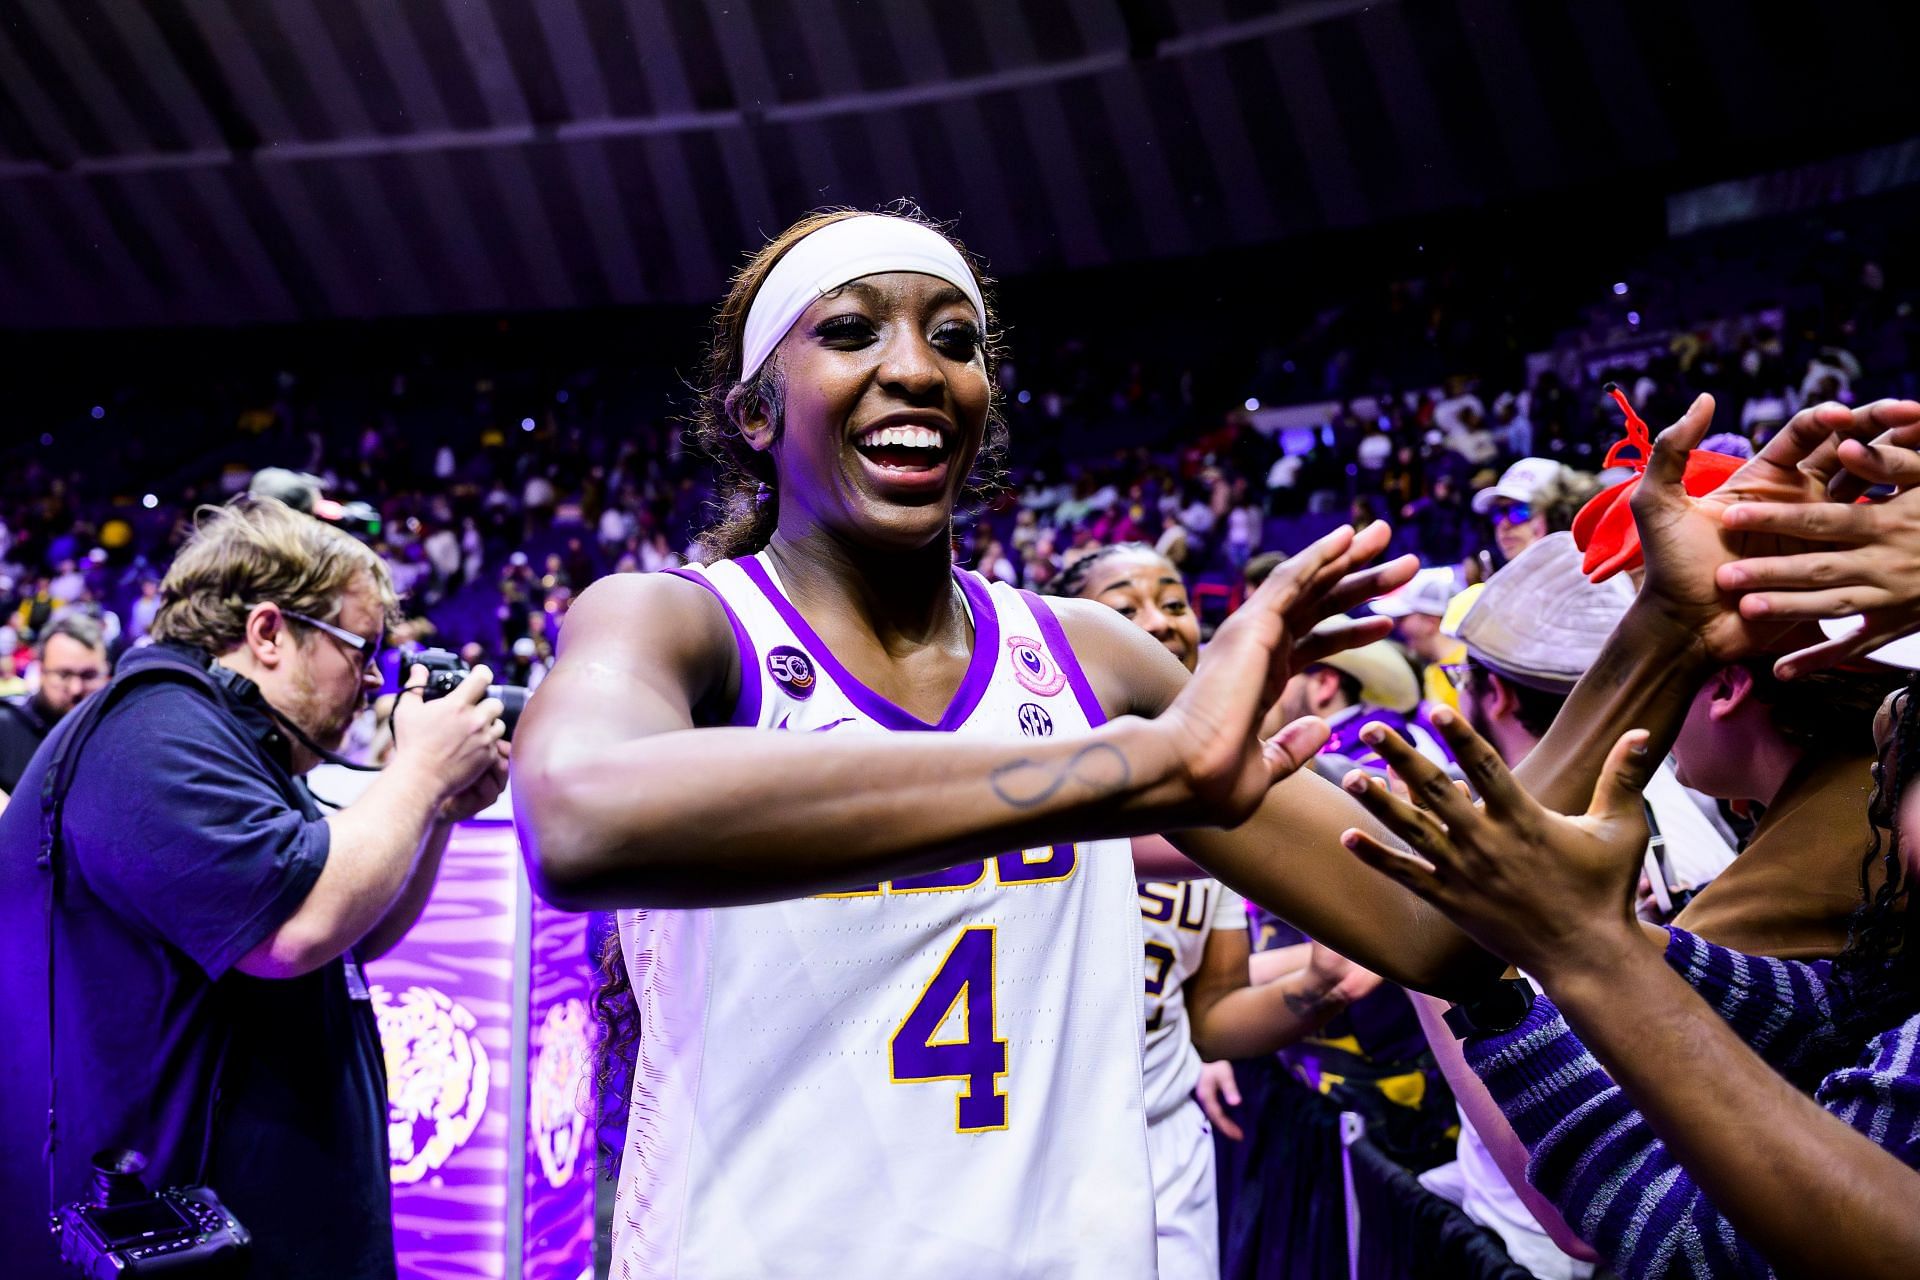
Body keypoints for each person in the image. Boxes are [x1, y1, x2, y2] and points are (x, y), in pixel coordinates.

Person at [514, 208, 1466, 1279]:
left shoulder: (1090, 656)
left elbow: (1426, 925)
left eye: (956, 339)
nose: (916, 367)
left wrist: (1650, 641)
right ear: (755, 413)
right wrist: (1128, 772)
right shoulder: (677, 622)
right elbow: (578, 813)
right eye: (851, 332)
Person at [1338, 393, 1920, 1279]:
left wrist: (1495, 958)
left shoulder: (1836, 841)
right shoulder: (1833, 822)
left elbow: (1674, 1236)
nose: (1885, 750)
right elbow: (1830, 1008)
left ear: (1722, 684)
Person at [0, 496, 510, 1280]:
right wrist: (418, 770)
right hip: (189, 1237)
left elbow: (351, 933)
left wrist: (436, 809)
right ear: (269, 632)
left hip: (270, 1228)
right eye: (359, 647)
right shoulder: (154, 733)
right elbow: (293, 930)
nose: (374, 678)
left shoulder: (238, 743)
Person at [1056, 540, 1374, 1278]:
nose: (1161, 622)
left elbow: (1213, 1015)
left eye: (1174, 604)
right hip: (1046, 1137)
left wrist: (1314, 990)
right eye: (1125, 606)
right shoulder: (1031, 777)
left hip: (1166, 1144)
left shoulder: (1222, 801)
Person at [0, 612, 110, 797]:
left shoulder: (116, 734)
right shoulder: (6, 726)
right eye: (63, 674)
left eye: (89, 675)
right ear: (40, 670)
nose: (76, 689)